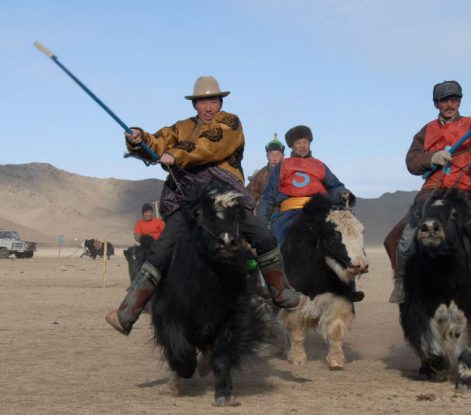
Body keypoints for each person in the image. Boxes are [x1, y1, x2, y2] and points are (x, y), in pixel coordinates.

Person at [105, 76, 304, 336]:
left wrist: (175, 155)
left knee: (263, 235)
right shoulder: (181, 127)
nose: (209, 107)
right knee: (160, 250)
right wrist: (139, 139)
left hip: (224, 194)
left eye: (213, 101)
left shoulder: (230, 122)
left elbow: (211, 146)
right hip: (187, 195)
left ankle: (280, 291)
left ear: (220, 102)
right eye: (203, 102)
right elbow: (158, 142)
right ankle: (128, 311)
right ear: (195, 105)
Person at [384, 80, 471, 306]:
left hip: (466, 190)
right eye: (444, 101)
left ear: (459, 101)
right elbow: (411, 160)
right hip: (433, 189)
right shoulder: (426, 130)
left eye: (454, 99)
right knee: (404, 232)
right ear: (436, 104)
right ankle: (402, 279)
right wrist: (431, 157)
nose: (450, 104)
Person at [256, 125, 354, 244]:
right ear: (292, 145)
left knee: (340, 241)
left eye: (306, 142)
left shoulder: (319, 165)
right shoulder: (282, 166)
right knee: (278, 243)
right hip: (289, 214)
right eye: (298, 142)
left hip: (319, 211)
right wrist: (263, 223)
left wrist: (343, 193)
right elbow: (268, 196)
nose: (303, 146)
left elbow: (334, 186)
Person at [246, 134, 285, 209]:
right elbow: (250, 195)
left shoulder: (288, 171)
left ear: (283, 156)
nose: (274, 158)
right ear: (267, 156)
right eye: (271, 155)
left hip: (283, 209)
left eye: (277, 154)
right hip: (265, 210)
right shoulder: (261, 174)